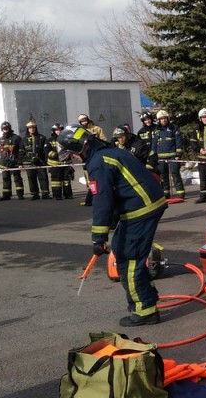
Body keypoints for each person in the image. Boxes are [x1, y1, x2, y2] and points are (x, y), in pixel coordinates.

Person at [58, 123, 167, 326]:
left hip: (141, 209)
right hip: (141, 205)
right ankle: (147, 295)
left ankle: (145, 311)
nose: (72, 158)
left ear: (80, 148)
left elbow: (103, 201)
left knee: (129, 259)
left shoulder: (98, 162)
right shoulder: (106, 152)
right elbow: (118, 188)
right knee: (121, 249)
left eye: (72, 154)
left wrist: (98, 238)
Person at [153, 109, 186, 200]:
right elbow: (154, 144)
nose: (163, 120)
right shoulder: (156, 130)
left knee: (175, 173)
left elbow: (178, 141)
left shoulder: (173, 128)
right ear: (158, 120)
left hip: (173, 156)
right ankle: (166, 193)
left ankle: (180, 192)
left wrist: (178, 154)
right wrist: (154, 155)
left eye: (165, 118)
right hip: (161, 157)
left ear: (168, 119)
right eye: (161, 119)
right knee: (163, 175)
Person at [22, 119, 51, 200]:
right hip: (29, 162)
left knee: (43, 177)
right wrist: (21, 163)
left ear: (36, 128)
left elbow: (45, 151)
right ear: (27, 129)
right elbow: (21, 152)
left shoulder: (42, 137)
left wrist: (46, 160)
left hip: (40, 161)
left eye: (33, 128)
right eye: (30, 128)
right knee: (31, 178)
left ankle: (45, 193)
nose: (32, 129)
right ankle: (35, 194)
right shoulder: (24, 139)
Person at [0, 121, 25, 200]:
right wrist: (2, 162)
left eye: (6, 128)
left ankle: (20, 194)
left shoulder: (16, 138)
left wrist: (19, 162)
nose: (5, 130)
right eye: (4, 129)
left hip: (14, 162)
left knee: (17, 178)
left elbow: (20, 151)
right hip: (4, 163)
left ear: (9, 128)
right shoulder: (0, 139)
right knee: (5, 179)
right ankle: (6, 195)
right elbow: (1, 152)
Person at [47, 123, 74, 200]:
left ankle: (68, 194)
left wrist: (68, 155)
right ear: (54, 131)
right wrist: (58, 155)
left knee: (66, 180)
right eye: (57, 130)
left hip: (65, 163)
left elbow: (70, 149)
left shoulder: (66, 139)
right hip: (55, 164)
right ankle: (57, 195)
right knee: (56, 180)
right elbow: (47, 152)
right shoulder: (50, 140)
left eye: (60, 130)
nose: (58, 131)